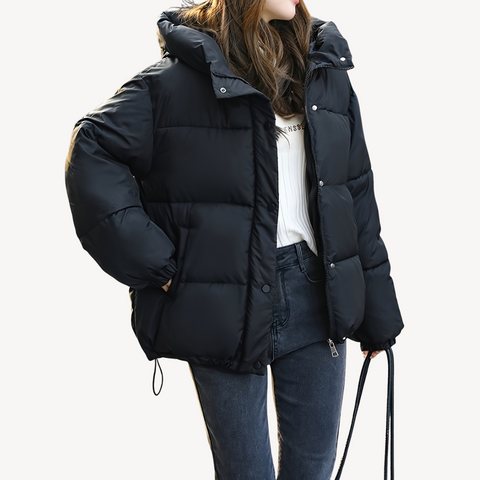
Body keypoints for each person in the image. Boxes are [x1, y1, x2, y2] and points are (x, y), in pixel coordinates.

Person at [64, 0, 404, 478]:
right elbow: (91, 150)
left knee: (313, 470)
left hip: (315, 291)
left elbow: (355, 191)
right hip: (222, 300)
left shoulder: (323, 69)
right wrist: (159, 265)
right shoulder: (175, 82)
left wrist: (378, 314)